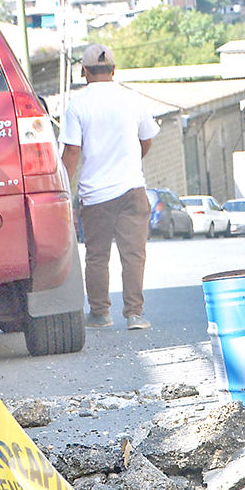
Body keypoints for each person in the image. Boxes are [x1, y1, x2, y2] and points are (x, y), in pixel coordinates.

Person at [60, 44, 159, 330]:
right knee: (134, 255)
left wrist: (64, 190)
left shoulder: (77, 105)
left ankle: (101, 313)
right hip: (132, 190)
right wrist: (131, 162)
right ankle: (135, 314)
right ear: (114, 71)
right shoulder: (134, 100)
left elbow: (71, 153)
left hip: (95, 195)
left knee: (97, 257)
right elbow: (147, 140)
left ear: (85, 72)